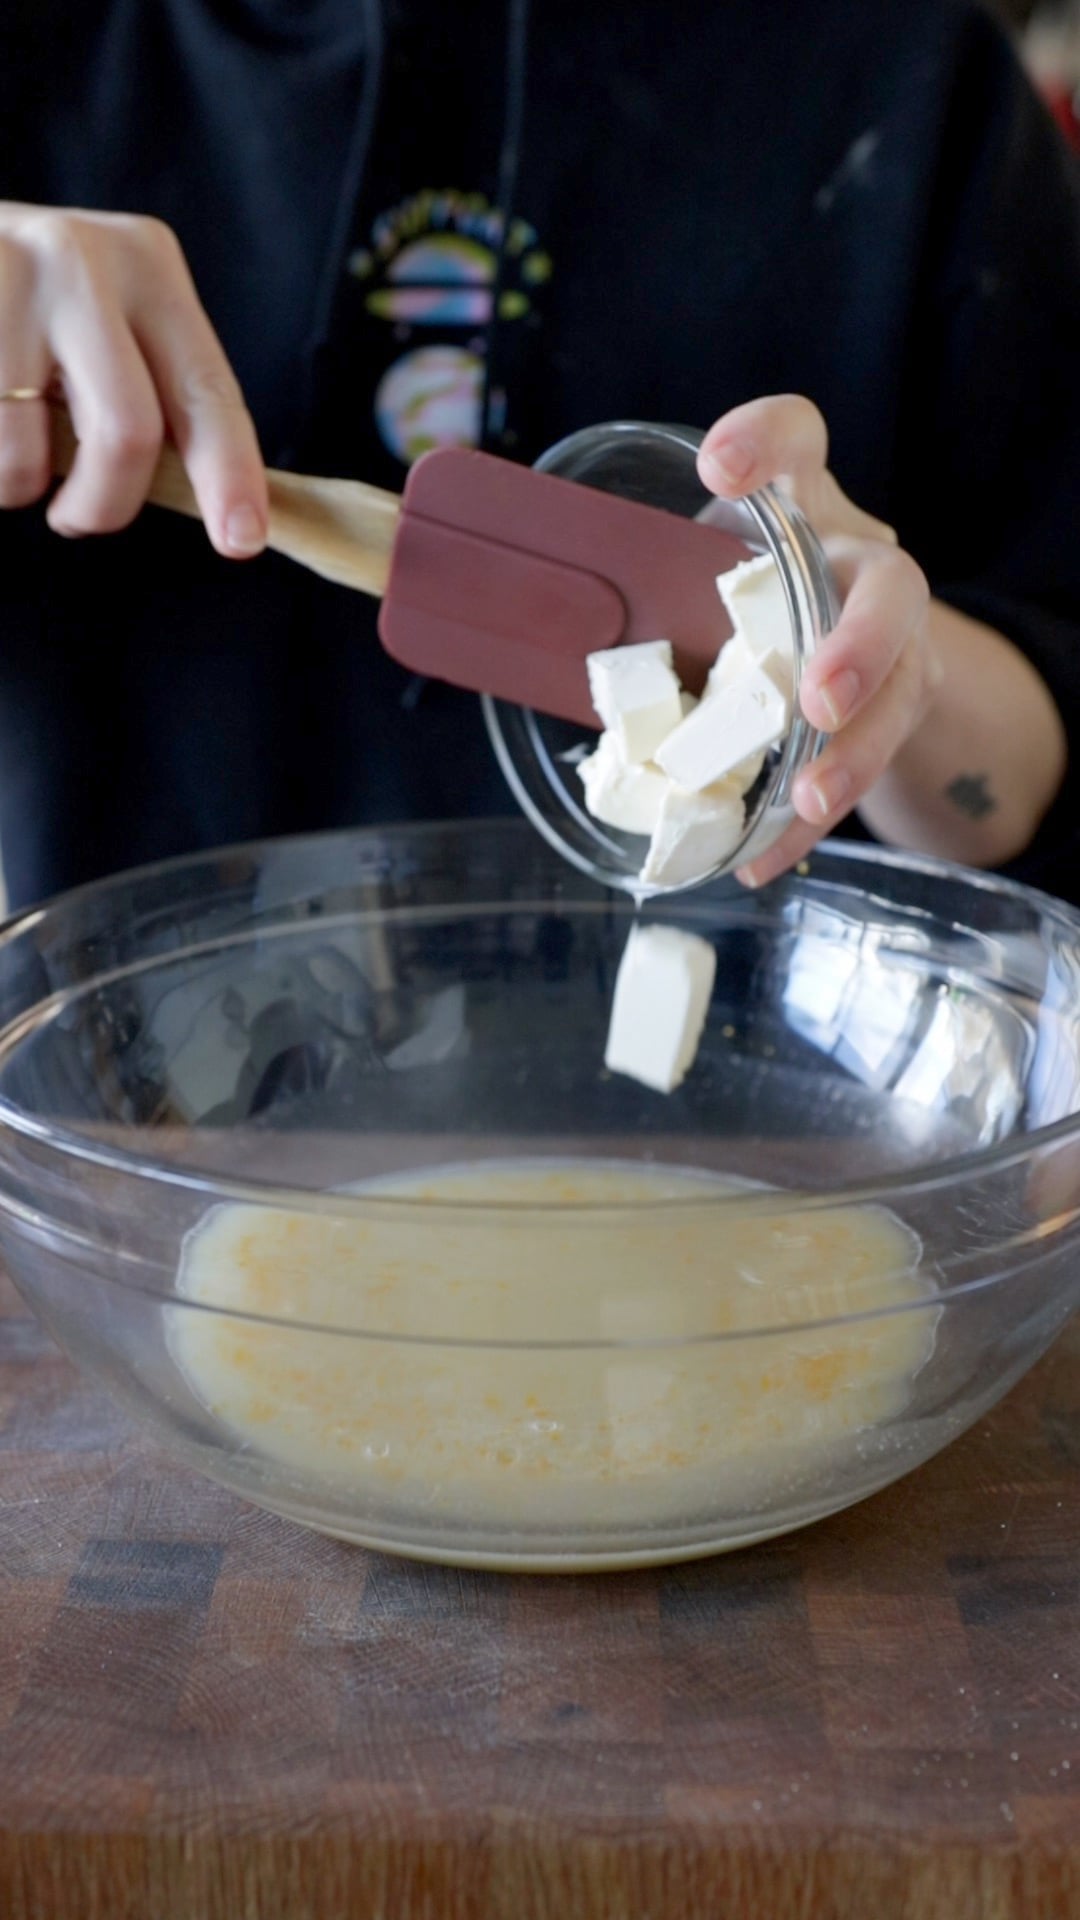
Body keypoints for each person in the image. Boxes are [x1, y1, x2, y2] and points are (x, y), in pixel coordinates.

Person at [0, 0, 1077, 911]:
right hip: (127, 1106)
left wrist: (883, 680)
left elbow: (1047, 746)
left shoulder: (906, 71)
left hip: (782, 1110)